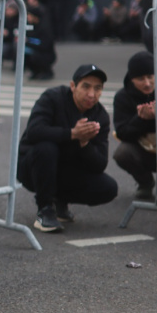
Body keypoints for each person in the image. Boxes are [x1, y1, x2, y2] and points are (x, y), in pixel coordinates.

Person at [17, 64, 118, 233]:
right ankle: (45, 209)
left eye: (97, 88)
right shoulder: (53, 98)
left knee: (109, 187)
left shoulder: (100, 116)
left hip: (66, 171)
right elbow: (34, 131)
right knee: (47, 148)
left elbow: (100, 164)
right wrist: (72, 133)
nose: (91, 94)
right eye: (86, 86)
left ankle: (60, 200)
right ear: (73, 86)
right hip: (32, 167)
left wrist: (84, 143)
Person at [113, 51, 157, 200]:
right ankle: (145, 183)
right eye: (140, 79)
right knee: (122, 153)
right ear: (132, 79)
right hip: (143, 149)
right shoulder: (122, 97)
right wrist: (141, 119)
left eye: (150, 77)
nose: (147, 83)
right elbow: (122, 133)